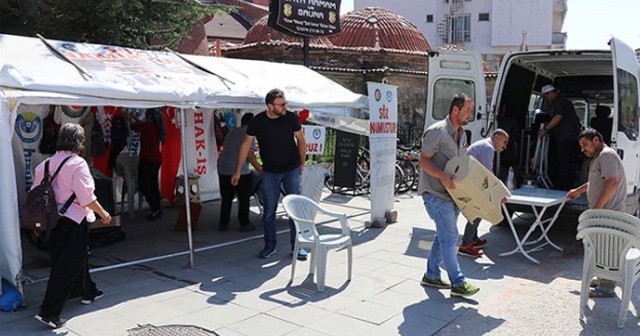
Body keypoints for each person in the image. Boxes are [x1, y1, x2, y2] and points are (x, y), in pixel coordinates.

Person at [34, 123, 112, 329]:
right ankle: (49, 312)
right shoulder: (78, 164)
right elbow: (86, 197)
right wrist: (103, 213)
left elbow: (35, 192)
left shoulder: (44, 165)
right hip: (72, 221)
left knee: (74, 257)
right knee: (66, 266)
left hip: (51, 221)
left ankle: (87, 291)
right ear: (79, 141)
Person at [232, 89, 307, 260]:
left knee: (295, 208)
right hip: (270, 172)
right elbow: (245, 145)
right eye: (281, 104)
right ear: (270, 106)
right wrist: (237, 170)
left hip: (291, 169)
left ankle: (298, 246)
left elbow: (301, 140)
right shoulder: (258, 122)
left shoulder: (290, 118)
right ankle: (269, 245)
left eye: (285, 103)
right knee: (269, 211)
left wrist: (302, 163)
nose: (285, 107)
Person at [417, 93, 480, 297]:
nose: (471, 113)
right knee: (450, 237)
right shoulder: (437, 132)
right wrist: (442, 176)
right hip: (434, 193)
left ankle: (432, 275)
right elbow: (423, 160)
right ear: (455, 110)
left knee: (443, 236)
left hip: (452, 195)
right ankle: (458, 282)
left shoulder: (462, 134)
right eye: (467, 110)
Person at [567, 128, 627, 298]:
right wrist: (578, 191)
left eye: (585, 145)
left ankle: (607, 287)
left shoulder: (606, 155)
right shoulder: (599, 157)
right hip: (603, 212)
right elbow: (595, 182)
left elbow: (612, 182)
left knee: (609, 248)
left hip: (608, 213)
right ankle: (603, 279)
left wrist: (597, 208)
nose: (582, 149)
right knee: (601, 247)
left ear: (596, 140)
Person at [458, 129, 509, 258]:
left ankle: (473, 239)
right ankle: (466, 245)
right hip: (469, 182)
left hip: (468, 179)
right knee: (477, 211)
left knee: (477, 210)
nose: (505, 146)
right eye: (504, 142)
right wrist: (499, 194)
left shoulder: (484, 145)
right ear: (496, 137)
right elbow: (488, 173)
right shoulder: (488, 148)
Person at [217, 113, 262, 232]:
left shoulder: (232, 132)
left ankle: (223, 223)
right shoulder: (249, 135)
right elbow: (250, 156)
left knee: (226, 198)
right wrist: (260, 170)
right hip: (238, 169)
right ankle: (244, 223)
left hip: (223, 167)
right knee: (243, 197)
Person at [538, 84, 582, 190]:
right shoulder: (564, 102)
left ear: (551, 93)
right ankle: (564, 184)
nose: (547, 98)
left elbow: (558, 117)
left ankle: (564, 187)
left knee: (564, 162)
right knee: (565, 162)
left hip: (566, 138)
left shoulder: (559, 101)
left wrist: (545, 129)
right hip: (568, 137)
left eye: (546, 96)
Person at [128, 108, 165, 221]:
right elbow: (142, 125)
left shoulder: (148, 127)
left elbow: (132, 127)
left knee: (144, 185)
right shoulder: (155, 127)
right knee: (153, 185)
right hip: (156, 159)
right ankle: (157, 209)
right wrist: (134, 117)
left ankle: (154, 208)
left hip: (148, 159)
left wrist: (128, 118)